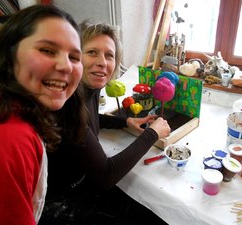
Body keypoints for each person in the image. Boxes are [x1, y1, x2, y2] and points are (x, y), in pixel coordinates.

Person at [39, 21, 170, 225]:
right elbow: (105, 177)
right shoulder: (67, 104)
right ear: (74, 58)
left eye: (109, 55)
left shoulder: (87, 88)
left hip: (81, 184)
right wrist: (152, 133)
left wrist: (124, 121)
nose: (103, 62)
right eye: (92, 52)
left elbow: (91, 119)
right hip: (60, 203)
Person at [0, 5, 86, 225]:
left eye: (75, 57)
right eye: (47, 50)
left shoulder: (13, 109)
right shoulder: (9, 139)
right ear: (9, 57)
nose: (66, 66)